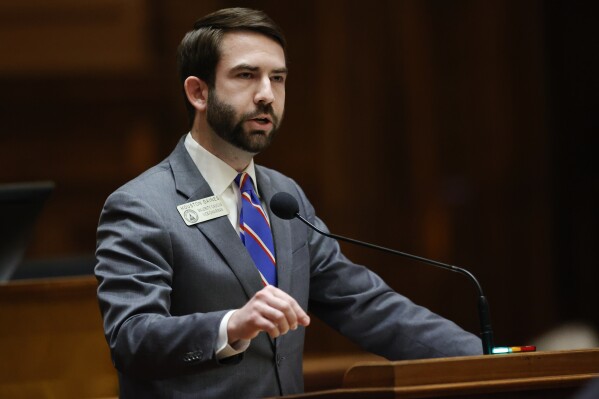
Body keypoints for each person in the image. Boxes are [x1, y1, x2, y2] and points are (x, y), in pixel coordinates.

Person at [95, 7, 482, 398]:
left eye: (277, 78)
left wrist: (488, 358)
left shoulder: (284, 197)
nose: (267, 94)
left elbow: (366, 304)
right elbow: (132, 338)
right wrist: (230, 325)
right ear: (198, 92)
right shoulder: (142, 206)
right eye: (246, 76)